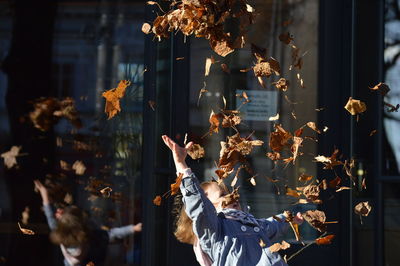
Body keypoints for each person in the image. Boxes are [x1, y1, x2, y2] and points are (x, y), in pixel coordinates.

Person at [162, 135, 303, 266]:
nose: (232, 196)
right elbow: (198, 206)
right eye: (222, 194)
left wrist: (288, 219)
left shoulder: (251, 222)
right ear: (209, 207)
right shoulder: (213, 228)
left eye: (229, 192)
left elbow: (271, 225)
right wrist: (181, 165)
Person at [34, 180, 142, 266]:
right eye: (61, 213)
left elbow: (49, 215)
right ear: (80, 225)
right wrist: (133, 229)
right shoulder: (90, 238)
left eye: (60, 214)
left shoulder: (60, 231)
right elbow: (111, 234)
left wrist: (44, 192)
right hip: (102, 257)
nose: (57, 211)